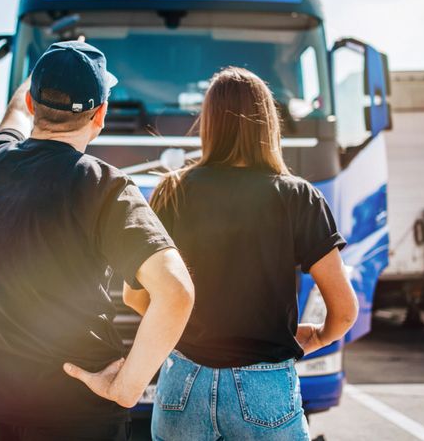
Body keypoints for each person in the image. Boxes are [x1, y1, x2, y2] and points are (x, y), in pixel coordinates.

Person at [0, 41, 194, 441]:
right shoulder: (105, 186)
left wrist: (48, 67)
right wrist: (126, 389)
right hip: (78, 417)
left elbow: (14, 112)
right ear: (100, 114)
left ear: (35, 103)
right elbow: (176, 292)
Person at [131, 67, 359, 440]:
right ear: (267, 123)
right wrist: (317, 337)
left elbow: (135, 295)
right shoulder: (299, 196)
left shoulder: (172, 191)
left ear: (209, 123)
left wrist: (182, 326)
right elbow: (345, 311)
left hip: (182, 382)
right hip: (265, 387)